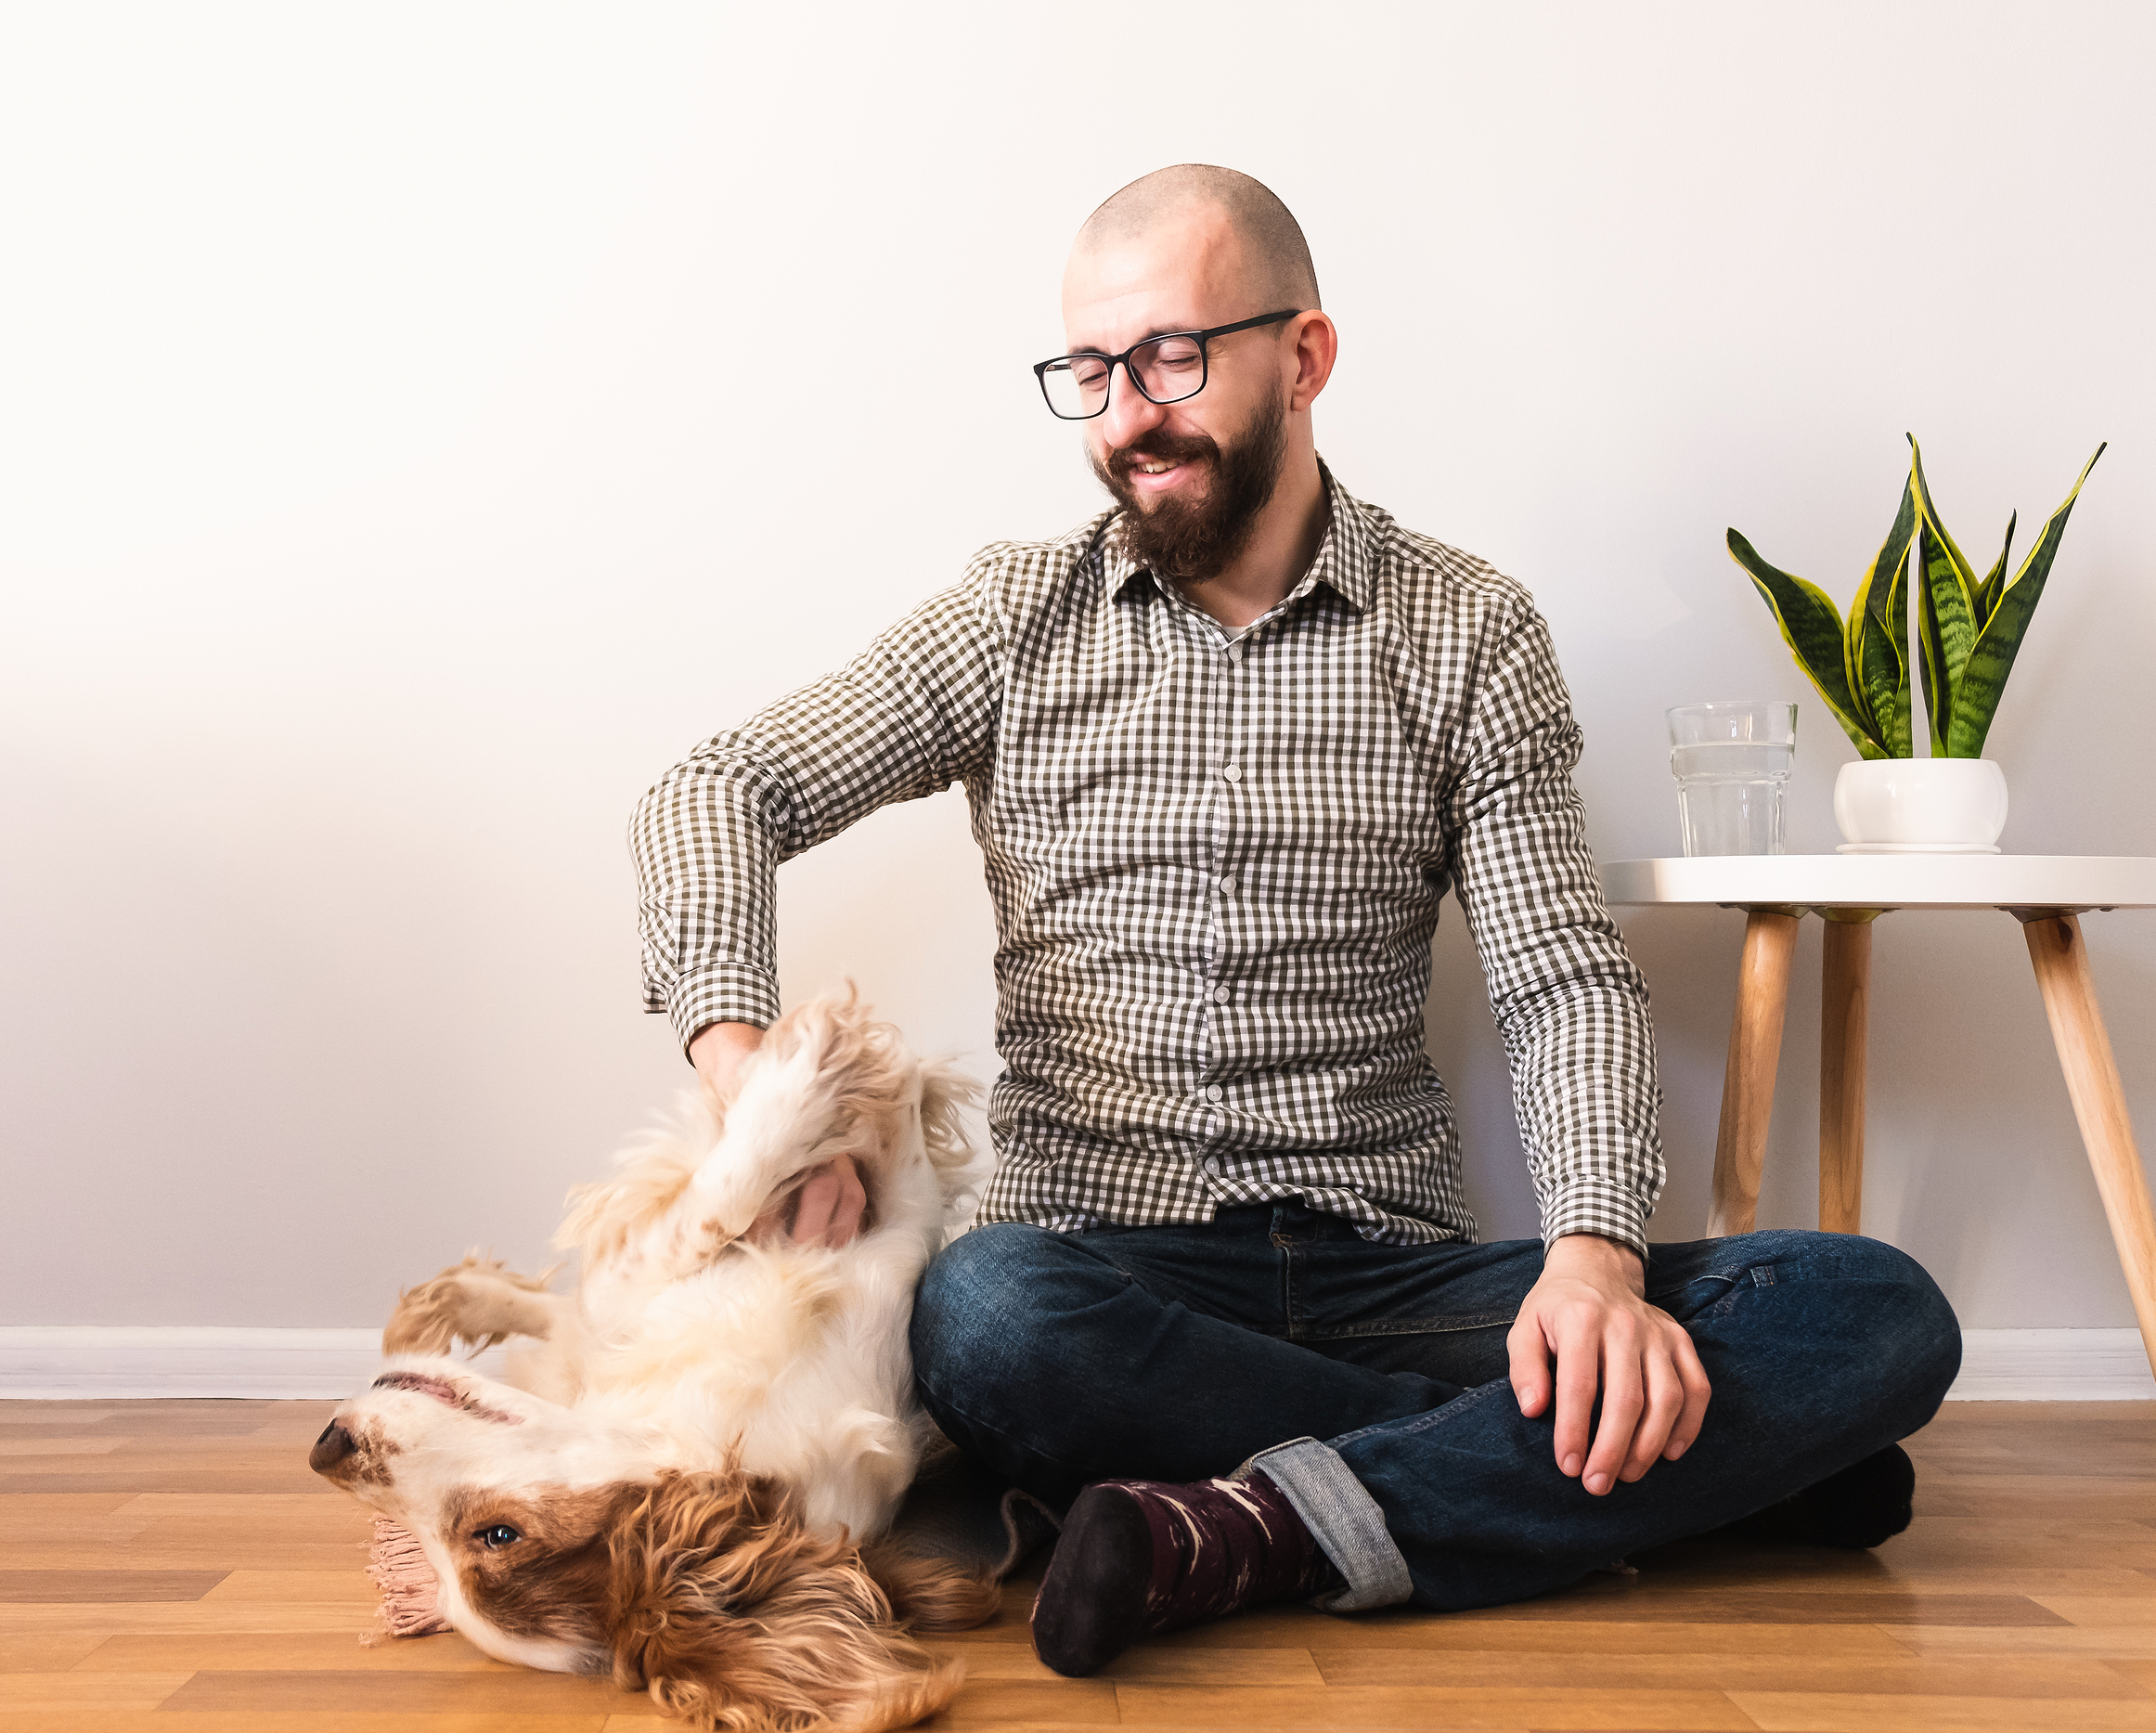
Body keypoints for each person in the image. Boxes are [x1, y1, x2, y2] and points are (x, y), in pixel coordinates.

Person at [630, 164, 1960, 1675]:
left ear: (1306, 355)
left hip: (1393, 1271)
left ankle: (1243, 1525)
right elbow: (716, 786)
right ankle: (1654, 1483)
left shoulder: (1466, 629)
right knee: (988, 1319)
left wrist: (1592, 1260)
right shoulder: (1015, 617)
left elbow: (1561, 980)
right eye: (1090, 372)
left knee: (1878, 1306)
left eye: (1172, 357)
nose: (1128, 413)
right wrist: (763, 1108)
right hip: (1109, 1278)